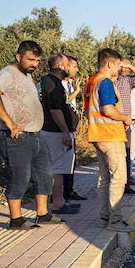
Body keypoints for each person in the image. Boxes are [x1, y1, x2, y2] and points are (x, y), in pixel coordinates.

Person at [0, 41, 64, 229]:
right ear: (18, 57)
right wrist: (9, 122)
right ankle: (16, 219)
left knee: (45, 175)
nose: (34, 64)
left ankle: (42, 214)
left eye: (37, 60)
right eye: (30, 59)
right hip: (17, 137)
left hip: (35, 135)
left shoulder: (26, 76)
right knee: (20, 177)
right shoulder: (7, 74)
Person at [84, 48, 135, 232]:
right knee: (118, 177)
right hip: (110, 135)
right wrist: (125, 118)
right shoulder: (105, 83)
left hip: (98, 135)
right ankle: (115, 221)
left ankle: (104, 218)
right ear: (110, 64)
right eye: (118, 65)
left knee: (104, 178)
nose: (120, 69)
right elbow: (108, 109)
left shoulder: (92, 81)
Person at [38, 53, 79, 215]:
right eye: (68, 65)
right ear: (61, 66)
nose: (70, 68)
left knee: (55, 168)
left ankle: (58, 200)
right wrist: (65, 132)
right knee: (58, 170)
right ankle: (58, 203)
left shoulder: (47, 81)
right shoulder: (53, 83)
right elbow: (55, 111)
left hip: (50, 131)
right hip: (55, 133)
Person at [114, 57, 135, 195]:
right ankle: (116, 186)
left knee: (128, 154)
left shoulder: (128, 80)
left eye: (125, 67)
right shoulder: (109, 80)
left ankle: (126, 184)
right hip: (114, 123)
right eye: (121, 66)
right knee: (115, 156)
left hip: (127, 123)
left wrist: (130, 65)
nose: (123, 69)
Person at [62, 55, 86, 201]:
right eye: (74, 66)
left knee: (70, 161)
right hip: (61, 130)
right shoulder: (58, 83)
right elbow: (64, 101)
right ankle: (63, 193)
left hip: (69, 129)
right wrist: (76, 92)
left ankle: (68, 190)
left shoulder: (69, 83)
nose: (76, 69)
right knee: (63, 163)